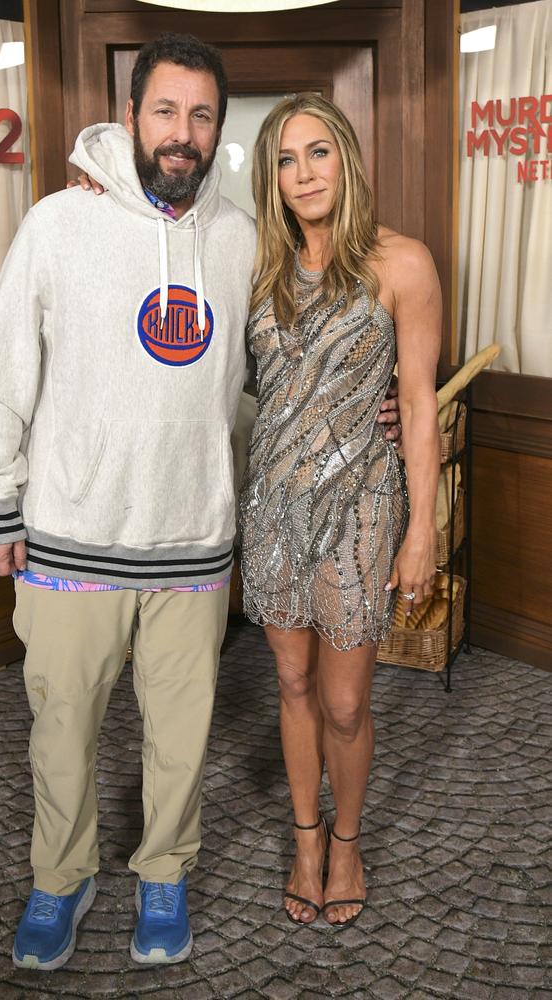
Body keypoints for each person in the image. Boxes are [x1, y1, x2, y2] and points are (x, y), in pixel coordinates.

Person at [0, 34, 400, 971]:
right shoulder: (57, 223)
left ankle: (165, 871)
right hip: (72, 540)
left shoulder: (242, 237)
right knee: (63, 732)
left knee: (179, 738)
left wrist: (375, 398)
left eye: (202, 116)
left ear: (215, 132)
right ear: (129, 117)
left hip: (194, 548)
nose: (183, 134)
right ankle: (60, 878)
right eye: (165, 111)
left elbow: (276, 365)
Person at [239, 94, 441, 928]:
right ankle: (306, 838)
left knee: (348, 701)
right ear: (271, 178)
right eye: (286, 160)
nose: (303, 174)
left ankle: (349, 842)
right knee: (290, 681)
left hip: (361, 512)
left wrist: (421, 529)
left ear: (347, 158)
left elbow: (419, 403)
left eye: (317, 153)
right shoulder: (256, 266)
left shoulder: (403, 264)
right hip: (275, 509)